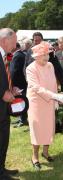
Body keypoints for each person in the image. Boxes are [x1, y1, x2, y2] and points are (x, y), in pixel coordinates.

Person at [26, 41, 63, 170]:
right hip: (37, 103)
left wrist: (56, 100)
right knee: (37, 129)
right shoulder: (31, 68)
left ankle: (45, 152)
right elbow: (36, 87)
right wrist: (54, 96)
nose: (46, 57)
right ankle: (34, 156)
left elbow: (53, 83)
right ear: (36, 56)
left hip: (50, 102)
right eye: (44, 55)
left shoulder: (50, 65)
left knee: (48, 128)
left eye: (47, 54)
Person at [0, 28, 19, 180]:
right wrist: (2, 93)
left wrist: (11, 88)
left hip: (4, 109)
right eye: (13, 42)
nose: (15, 45)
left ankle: (1, 169)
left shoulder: (5, 56)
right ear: (5, 40)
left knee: (3, 139)